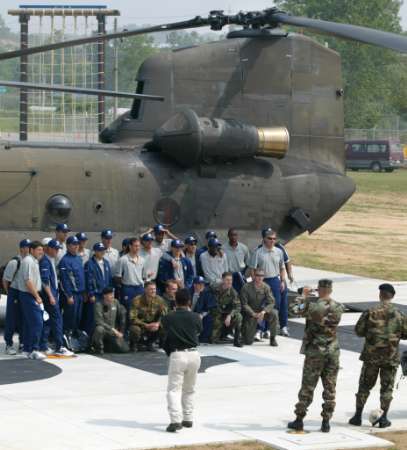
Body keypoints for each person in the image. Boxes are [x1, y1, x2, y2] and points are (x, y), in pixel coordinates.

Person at [288, 279, 344, 433]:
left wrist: (303, 296)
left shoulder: (312, 307)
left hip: (315, 352)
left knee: (307, 386)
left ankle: (299, 419)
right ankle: (326, 421)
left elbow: (294, 309)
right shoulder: (339, 307)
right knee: (330, 388)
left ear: (319, 290)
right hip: (332, 351)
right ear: (330, 290)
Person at [348, 284, 407, 428]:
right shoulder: (400, 314)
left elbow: (359, 331)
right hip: (390, 358)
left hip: (371, 357)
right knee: (387, 389)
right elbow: (406, 334)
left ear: (380, 295)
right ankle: (384, 418)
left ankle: (357, 416)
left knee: (364, 386)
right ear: (392, 296)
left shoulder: (370, 311)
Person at [161, 288, 202, 433]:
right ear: (189, 302)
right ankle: (188, 418)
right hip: (194, 354)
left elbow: (164, 331)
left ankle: (175, 420)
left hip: (178, 355)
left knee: (173, 390)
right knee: (189, 389)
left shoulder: (168, 317)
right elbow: (198, 330)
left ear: (175, 301)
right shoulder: (196, 316)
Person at [39, 239, 73, 356]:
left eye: (58, 249)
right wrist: (51, 296)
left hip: (53, 294)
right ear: (48, 248)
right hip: (50, 296)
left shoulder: (50, 260)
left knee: (48, 321)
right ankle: (59, 346)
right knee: (57, 320)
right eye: (55, 249)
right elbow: (45, 282)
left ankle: (43, 345)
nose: (57, 251)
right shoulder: (45, 261)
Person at [249, 228, 287, 335]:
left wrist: (283, 281)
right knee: (261, 305)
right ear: (264, 239)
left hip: (275, 280)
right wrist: (255, 282)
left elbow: (282, 268)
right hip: (262, 280)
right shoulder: (258, 252)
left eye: (274, 239)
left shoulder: (279, 252)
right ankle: (261, 329)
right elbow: (252, 269)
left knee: (275, 305)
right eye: (270, 238)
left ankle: (269, 329)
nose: (272, 241)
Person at [2, 238, 31, 355]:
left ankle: (22, 342)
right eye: (27, 247)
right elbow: (5, 280)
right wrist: (9, 293)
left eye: (30, 247)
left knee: (24, 319)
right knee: (11, 319)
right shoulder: (15, 262)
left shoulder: (30, 262)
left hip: (25, 293)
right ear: (22, 248)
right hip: (14, 291)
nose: (29, 249)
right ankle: (8, 344)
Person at [18, 241, 45, 360]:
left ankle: (27, 349)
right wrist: (37, 297)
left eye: (42, 250)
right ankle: (34, 349)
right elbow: (28, 281)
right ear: (32, 250)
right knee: (37, 322)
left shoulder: (34, 261)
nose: (41, 252)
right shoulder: (28, 261)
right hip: (29, 295)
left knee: (30, 323)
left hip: (30, 295)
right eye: (39, 250)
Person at [240, 269, 278, 346]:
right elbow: (244, 304)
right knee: (248, 341)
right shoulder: (246, 287)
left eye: (262, 276)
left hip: (261, 311)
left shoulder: (266, 287)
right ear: (254, 276)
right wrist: (253, 314)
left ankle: (273, 338)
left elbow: (272, 302)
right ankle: (246, 333)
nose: (260, 278)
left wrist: (263, 312)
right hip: (250, 313)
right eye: (258, 275)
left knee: (274, 313)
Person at [59, 235, 86, 339]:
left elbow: (81, 277)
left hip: (80, 294)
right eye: (73, 245)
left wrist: (84, 292)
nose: (76, 246)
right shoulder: (65, 261)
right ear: (68, 246)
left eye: (77, 244)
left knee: (78, 317)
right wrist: (68, 295)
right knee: (70, 317)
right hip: (72, 294)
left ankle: (75, 338)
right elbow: (64, 280)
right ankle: (66, 336)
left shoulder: (79, 259)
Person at [83, 242, 113, 336]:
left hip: (105, 295)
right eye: (99, 250)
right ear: (95, 251)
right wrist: (91, 294)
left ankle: (102, 338)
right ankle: (89, 337)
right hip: (96, 295)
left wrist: (110, 293)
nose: (101, 252)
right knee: (93, 317)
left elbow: (109, 278)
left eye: (103, 250)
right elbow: (89, 280)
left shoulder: (106, 263)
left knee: (104, 317)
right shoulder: (90, 264)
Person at [129, 281, 167, 351]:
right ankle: (135, 344)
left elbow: (164, 315)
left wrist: (157, 324)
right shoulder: (137, 300)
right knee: (134, 329)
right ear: (145, 290)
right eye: (151, 289)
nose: (153, 291)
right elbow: (132, 318)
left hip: (153, 324)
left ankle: (150, 343)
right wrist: (146, 325)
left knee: (164, 325)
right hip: (141, 324)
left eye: (154, 289)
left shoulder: (160, 300)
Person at [92, 287, 129, 354]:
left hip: (113, 332)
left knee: (125, 349)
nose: (112, 296)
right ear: (104, 296)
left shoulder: (116, 302)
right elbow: (99, 321)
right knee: (99, 329)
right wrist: (113, 329)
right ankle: (99, 347)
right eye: (110, 294)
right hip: (105, 330)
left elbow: (122, 315)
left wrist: (121, 331)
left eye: (113, 294)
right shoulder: (98, 305)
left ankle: (108, 346)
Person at [211, 272, 243, 347]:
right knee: (213, 339)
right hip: (216, 313)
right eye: (227, 280)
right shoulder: (214, 288)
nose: (229, 282)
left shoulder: (233, 292)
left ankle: (236, 340)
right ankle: (219, 336)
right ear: (222, 280)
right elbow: (211, 302)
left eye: (231, 280)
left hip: (226, 314)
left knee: (239, 316)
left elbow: (238, 307)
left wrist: (229, 315)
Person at [114, 237, 145, 315]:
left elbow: (143, 275)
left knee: (140, 310)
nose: (137, 248)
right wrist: (124, 286)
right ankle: (127, 327)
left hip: (139, 288)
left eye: (138, 246)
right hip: (128, 288)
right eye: (135, 246)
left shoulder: (142, 260)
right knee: (127, 310)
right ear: (130, 246)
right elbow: (118, 277)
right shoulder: (123, 259)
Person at [223, 228, 249, 293]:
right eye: (231, 235)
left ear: (237, 236)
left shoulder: (244, 248)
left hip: (241, 275)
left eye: (235, 235)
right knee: (230, 296)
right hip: (229, 276)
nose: (233, 237)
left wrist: (244, 274)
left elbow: (248, 263)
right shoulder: (223, 249)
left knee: (243, 295)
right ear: (228, 236)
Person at [192, 276, 216, 343]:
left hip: (200, 315)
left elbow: (209, 308)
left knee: (209, 318)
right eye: (199, 284)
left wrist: (202, 315)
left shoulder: (207, 293)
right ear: (194, 285)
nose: (202, 286)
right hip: (189, 314)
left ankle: (203, 338)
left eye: (203, 284)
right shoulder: (189, 292)